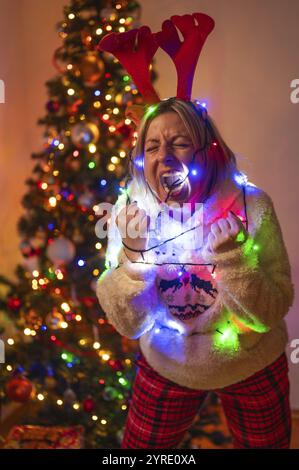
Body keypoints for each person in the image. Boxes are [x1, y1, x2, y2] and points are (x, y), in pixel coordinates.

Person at [96, 13, 294, 449]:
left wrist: (235, 258)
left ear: (209, 150)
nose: (164, 156)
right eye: (152, 146)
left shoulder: (251, 205)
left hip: (250, 363)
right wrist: (134, 258)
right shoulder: (131, 211)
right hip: (168, 362)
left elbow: (270, 310)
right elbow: (128, 325)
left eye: (179, 142)